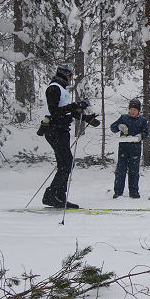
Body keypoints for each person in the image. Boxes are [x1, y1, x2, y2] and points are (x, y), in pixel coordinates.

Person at [41, 63, 100, 209]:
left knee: (66, 163)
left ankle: (59, 196)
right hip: (54, 130)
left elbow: (68, 111)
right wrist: (76, 104)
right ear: (66, 75)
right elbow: (55, 111)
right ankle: (51, 195)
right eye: (71, 76)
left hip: (61, 130)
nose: (71, 79)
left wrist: (86, 118)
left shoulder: (62, 89)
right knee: (66, 163)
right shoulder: (54, 88)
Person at [110, 99, 149, 199]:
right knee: (120, 171)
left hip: (135, 148)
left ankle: (134, 192)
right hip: (123, 148)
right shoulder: (123, 118)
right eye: (131, 109)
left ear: (138, 111)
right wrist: (119, 126)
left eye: (134, 110)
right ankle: (118, 192)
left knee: (134, 172)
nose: (132, 111)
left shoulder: (142, 120)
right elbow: (113, 128)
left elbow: (146, 133)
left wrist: (141, 136)